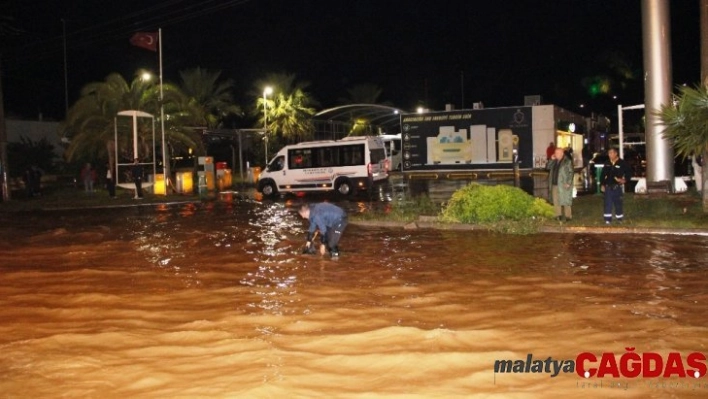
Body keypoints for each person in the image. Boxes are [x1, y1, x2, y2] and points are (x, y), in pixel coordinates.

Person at [600, 147, 633, 225]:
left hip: (617, 187)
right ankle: (607, 220)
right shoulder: (607, 163)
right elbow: (603, 175)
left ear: (615, 153)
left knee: (618, 203)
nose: (610, 155)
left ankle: (619, 218)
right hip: (608, 187)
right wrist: (602, 184)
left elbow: (629, 172)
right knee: (607, 203)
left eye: (611, 153)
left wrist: (624, 180)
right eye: (609, 153)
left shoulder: (622, 163)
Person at [546, 147, 575, 222]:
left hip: (563, 184)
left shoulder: (567, 161)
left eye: (557, 153)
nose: (556, 154)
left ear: (562, 153)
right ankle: (557, 215)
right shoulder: (554, 161)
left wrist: (568, 183)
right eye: (555, 153)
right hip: (554, 183)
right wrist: (551, 159)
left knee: (565, 199)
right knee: (556, 200)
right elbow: (547, 167)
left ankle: (568, 216)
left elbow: (571, 172)